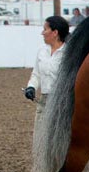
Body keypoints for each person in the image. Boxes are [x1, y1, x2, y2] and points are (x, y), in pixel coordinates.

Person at [24, 16, 69, 148]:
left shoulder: (68, 54)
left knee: (61, 141)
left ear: (55, 33)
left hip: (62, 102)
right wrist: (31, 87)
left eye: (45, 29)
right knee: (41, 141)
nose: (42, 33)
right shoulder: (41, 51)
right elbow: (36, 74)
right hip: (44, 101)